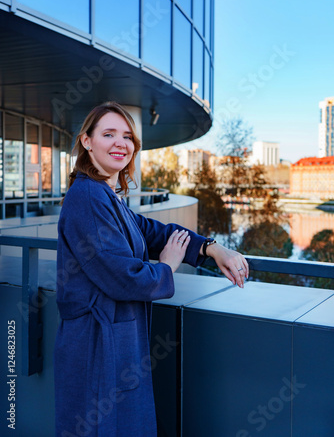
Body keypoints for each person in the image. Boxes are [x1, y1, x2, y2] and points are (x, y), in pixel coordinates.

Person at [54, 101, 248, 437]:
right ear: (87, 141)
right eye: (109, 134)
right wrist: (166, 268)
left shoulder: (107, 195)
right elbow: (123, 277)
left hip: (116, 340)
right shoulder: (87, 197)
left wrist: (212, 248)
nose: (121, 143)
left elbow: (151, 231)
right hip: (96, 345)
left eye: (127, 136)